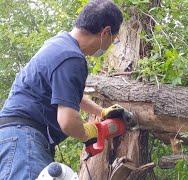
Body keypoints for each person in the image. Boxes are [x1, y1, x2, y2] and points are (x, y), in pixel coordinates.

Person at [0, 0, 125, 179]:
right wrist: (89, 132)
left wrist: (101, 112)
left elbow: (68, 95)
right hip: (24, 140)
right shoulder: (71, 58)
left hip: (12, 139)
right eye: (113, 40)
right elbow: (67, 121)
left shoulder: (58, 44)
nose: (110, 45)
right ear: (105, 32)